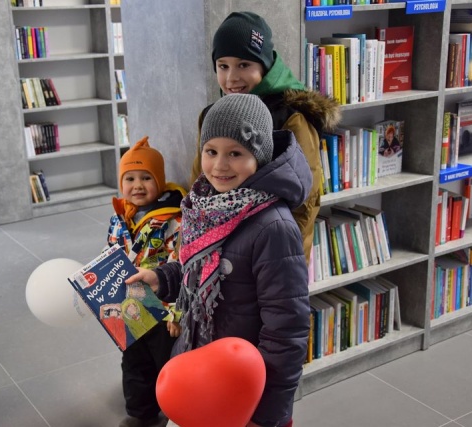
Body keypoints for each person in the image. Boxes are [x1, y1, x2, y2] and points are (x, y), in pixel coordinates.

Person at [128, 94, 311, 427]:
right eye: (211, 151)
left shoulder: (274, 227)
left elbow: (287, 332)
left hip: (243, 395)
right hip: (201, 367)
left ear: (259, 156)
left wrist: (263, 416)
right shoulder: (206, 203)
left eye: (235, 153)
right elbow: (198, 267)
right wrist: (163, 278)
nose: (219, 166)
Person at [190, 11, 341, 262]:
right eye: (223, 66)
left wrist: (283, 260)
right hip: (216, 255)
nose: (231, 78)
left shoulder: (290, 118)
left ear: (266, 65)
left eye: (244, 65)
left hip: (269, 258)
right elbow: (198, 185)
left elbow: (304, 200)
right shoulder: (212, 115)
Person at [108, 136, 185, 427]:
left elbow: (181, 266)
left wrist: (176, 312)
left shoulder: (173, 220)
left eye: (146, 178)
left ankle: (177, 412)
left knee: (167, 363)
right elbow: (111, 256)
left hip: (162, 310)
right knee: (133, 361)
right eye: (129, 178)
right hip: (129, 306)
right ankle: (141, 413)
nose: (137, 185)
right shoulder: (120, 218)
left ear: (160, 181)